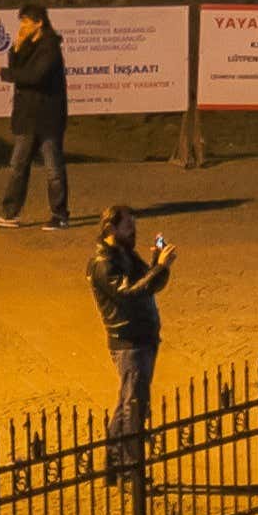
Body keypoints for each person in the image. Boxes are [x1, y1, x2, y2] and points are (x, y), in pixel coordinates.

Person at [89, 207, 173, 485]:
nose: (133, 232)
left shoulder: (125, 254)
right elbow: (129, 294)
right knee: (133, 407)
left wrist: (157, 263)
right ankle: (128, 472)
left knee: (127, 403)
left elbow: (149, 286)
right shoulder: (104, 263)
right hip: (128, 342)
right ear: (111, 229)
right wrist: (158, 268)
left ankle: (113, 468)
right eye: (128, 227)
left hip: (142, 337)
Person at [0, 7, 74, 229]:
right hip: (28, 118)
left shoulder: (50, 48)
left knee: (53, 169)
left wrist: (3, 73)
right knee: (18, 166)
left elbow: (34, 76)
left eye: (26, 22)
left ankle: (60, 215)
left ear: (39, 23)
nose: (22, 26)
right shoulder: (31, 45)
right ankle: (9, 213)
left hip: (47, 119)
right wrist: (16, 48)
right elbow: (19, 69)